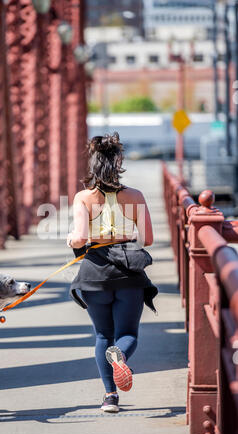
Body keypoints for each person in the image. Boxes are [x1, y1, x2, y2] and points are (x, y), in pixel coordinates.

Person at [67, 132, 157, 413]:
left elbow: (80, 238)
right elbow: (148, 239)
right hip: (128, 273)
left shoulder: (83, 197)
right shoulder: (135, 196)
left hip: (94, 274)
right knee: (127, 332)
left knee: (102, 335)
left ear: (93, 165)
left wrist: (72, 239)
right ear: (119, 164)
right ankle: (120, 356)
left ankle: (110, 397)